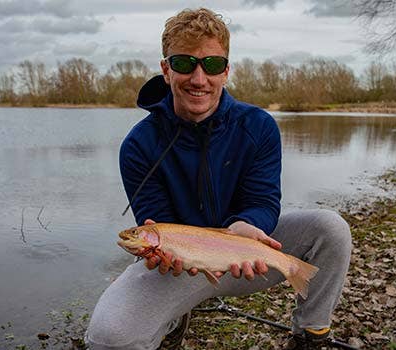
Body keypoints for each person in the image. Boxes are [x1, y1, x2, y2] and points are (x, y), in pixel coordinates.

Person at [84, 8, 352, 350]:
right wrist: (165, 256)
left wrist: (248, 225)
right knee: (108, 339)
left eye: (211, 65)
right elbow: (158, 220)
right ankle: (173, 314)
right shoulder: (138, 145)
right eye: (184, 64)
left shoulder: (258, 127)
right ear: (166, 70)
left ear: (226, 71)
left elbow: (263, 201)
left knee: (330, 228)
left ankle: (311, 334)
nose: (199, 79)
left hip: (247, 255)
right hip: (182, 267)